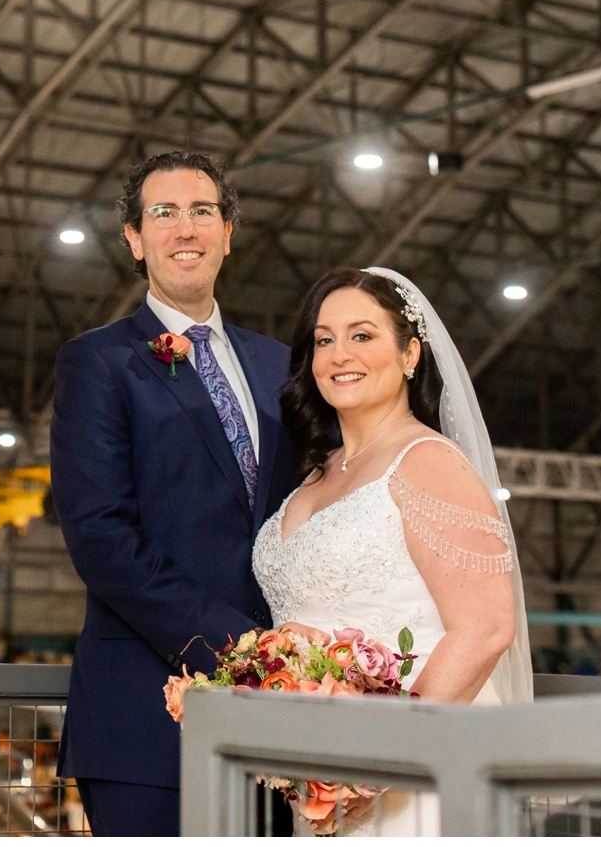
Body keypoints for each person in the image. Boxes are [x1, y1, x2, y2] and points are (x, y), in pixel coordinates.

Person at [51, 151, 301, 837]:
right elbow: (101, 536)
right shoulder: (99, 361)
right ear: (135, 239)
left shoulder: (281, 363)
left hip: (281, 720)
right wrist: (240, 648)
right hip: (146, 719)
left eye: (202, 211)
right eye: (163, 212)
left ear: (228, 231)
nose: (184, 228)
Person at [251, 267, 533, 836]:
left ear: (410, 354)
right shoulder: (314, 475)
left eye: (362, 335)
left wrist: (379, 760)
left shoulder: (429, 462)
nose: (337, 354)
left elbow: (486, 629)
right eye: (323, 340)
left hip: (415, 771)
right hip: (322, 777)